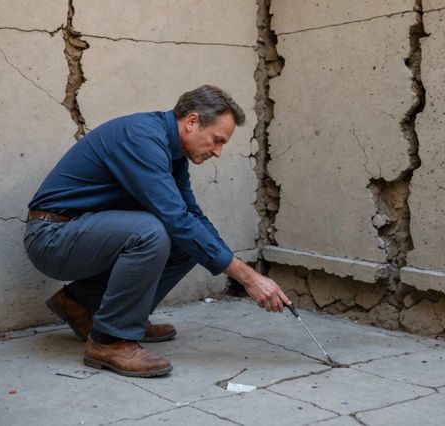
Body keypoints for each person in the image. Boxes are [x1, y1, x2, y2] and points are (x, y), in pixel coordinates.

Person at [23, 85, 291, 378]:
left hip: (80, 234)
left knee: (191, 244)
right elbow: (176, 220)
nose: (218, 152)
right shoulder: (142, 139)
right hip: (52, 237)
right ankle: (110, 340)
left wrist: (243, 269)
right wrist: (248, 278)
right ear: (191, 122)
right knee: (152, 231)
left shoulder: (173, 154)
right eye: (216, 140)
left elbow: (192, 217)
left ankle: (83, 305)